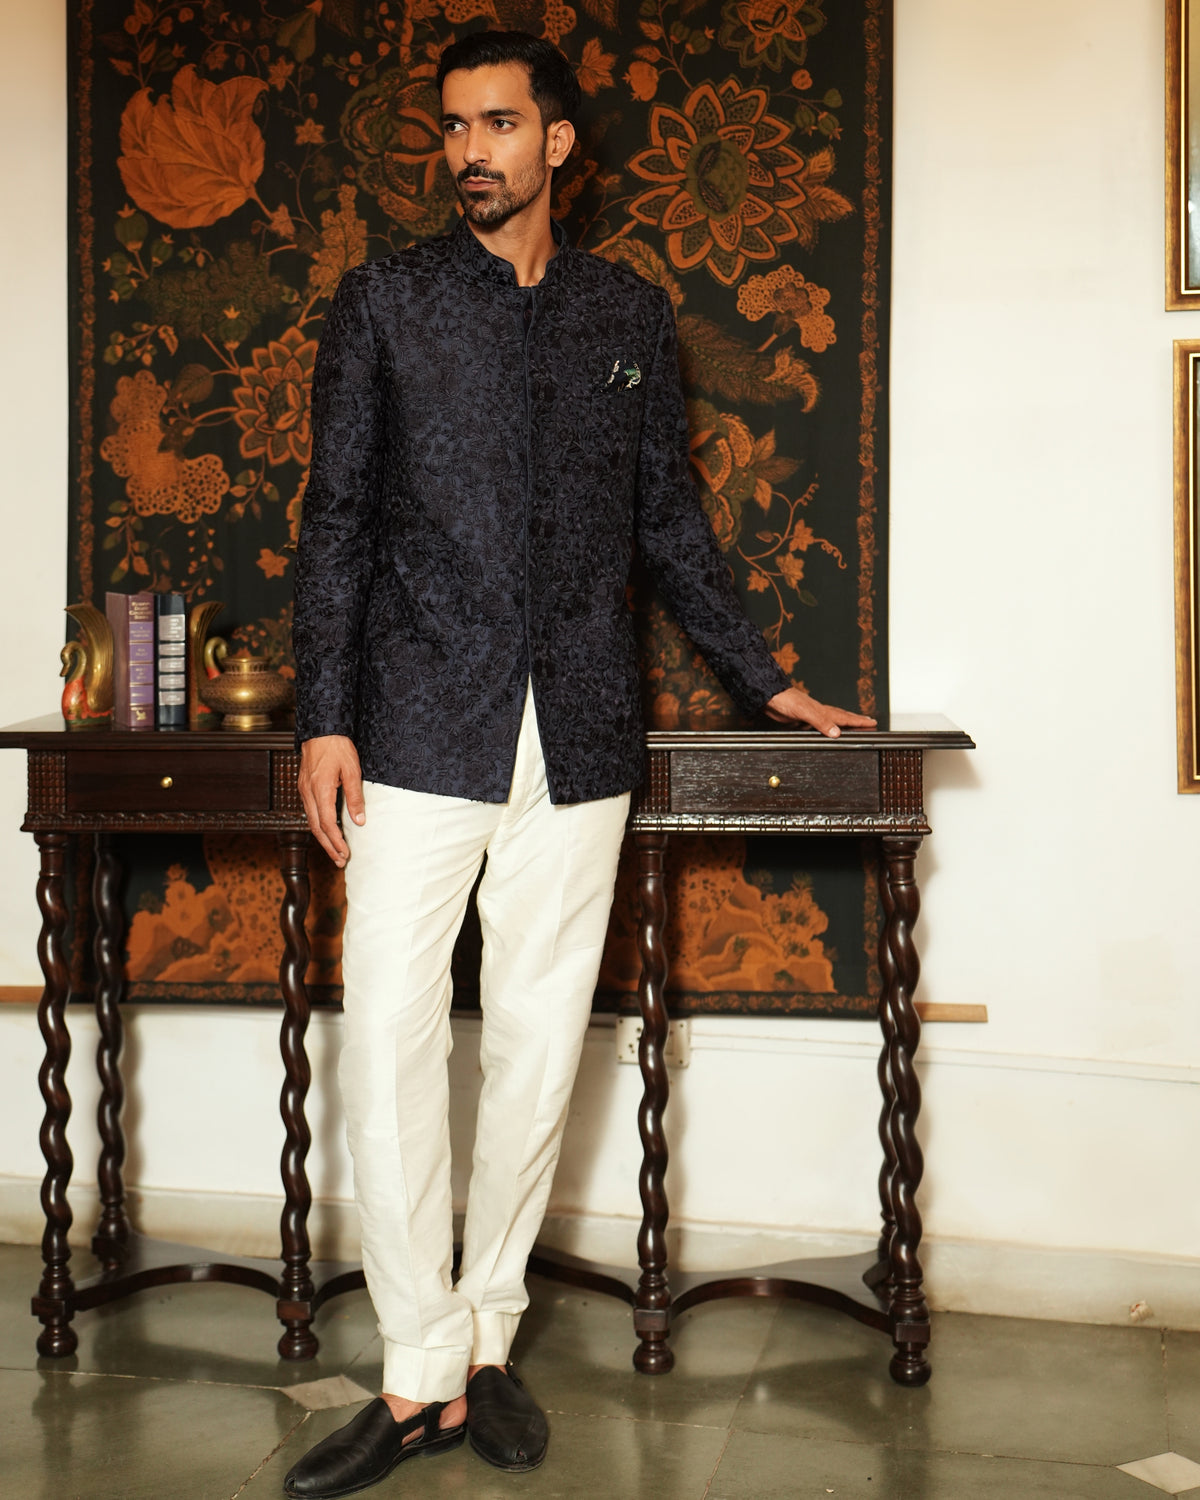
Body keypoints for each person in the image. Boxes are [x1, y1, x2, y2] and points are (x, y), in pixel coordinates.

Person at [287, 29, 874, 1498]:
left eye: (498, 124)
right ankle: (414, 1365)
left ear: (557, 143)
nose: (469, 151)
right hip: (417, 726)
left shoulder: (627, 312)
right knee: (390, 1038)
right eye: (452, 127)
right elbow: (337, 516)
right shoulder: (387, 302)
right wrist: (324, 716)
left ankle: (486, 1342)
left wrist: (771, 682)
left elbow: (669, 522)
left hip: (585, 733)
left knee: (539, 1046)